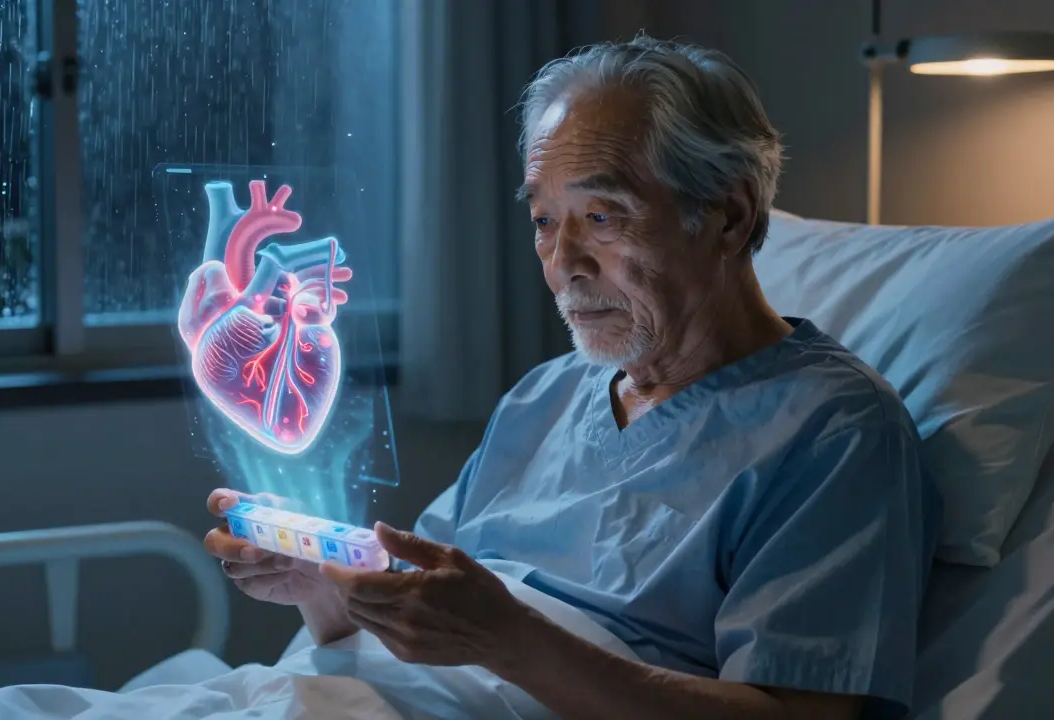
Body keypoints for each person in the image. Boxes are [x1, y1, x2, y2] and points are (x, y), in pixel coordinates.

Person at [204, 35, 940, 720]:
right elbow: (424, 626)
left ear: (730, 214)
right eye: (545, 221)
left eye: (601, 215)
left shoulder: (833, 432)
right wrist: (323, 592)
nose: (563, 264)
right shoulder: (545, 396)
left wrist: (513, 641)